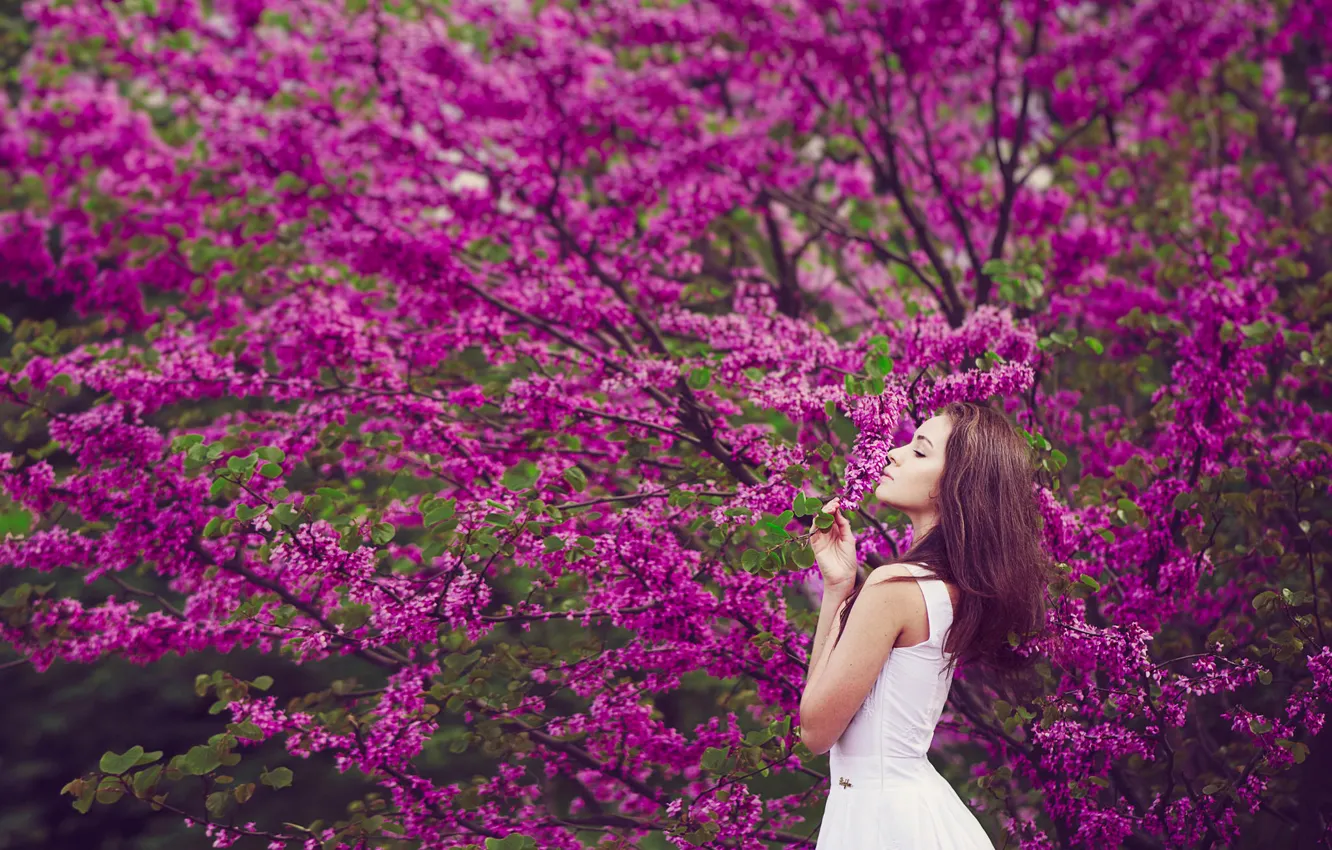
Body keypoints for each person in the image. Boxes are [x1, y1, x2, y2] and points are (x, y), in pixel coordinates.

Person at [799, 400, 1054, 849]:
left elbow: (816, 732)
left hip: (881, 824)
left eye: (919, 451)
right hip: (918, 812)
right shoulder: (950, 589)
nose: (894, 454)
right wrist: (839, 586)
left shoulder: (894, 585)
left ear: (953, 484)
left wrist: (841, 595)